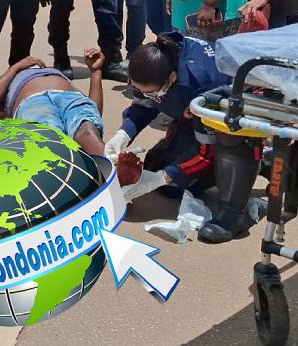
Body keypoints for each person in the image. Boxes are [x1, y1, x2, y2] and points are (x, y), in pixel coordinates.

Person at [103, 33, 261, 243]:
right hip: (192, 111)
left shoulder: (201, 85)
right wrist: (124, 133)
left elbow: (206, 151)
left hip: (231, 117)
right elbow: (143, 104)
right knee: (167, 183)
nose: (143, 94)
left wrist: (163, 177)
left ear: (172, 79)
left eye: (150, 92)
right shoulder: (157, 61)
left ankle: (255, 161)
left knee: (188, 180)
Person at [0, 48, 106, 157]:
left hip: (70, 98)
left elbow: (94, 111)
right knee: (50, 139)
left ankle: (115, 173)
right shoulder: (9, 80)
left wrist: (96, 72)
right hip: (35, 103)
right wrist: (15, 68)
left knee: (88, 131)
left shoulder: (56, 74)